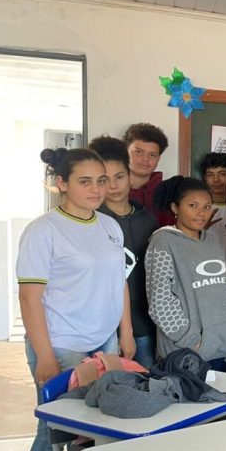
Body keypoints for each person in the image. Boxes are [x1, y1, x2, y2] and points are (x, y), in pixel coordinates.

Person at [18, 147, 135, 451]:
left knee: (102, 428)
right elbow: (31, 296)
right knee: (52, 433)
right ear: (61, 184)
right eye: (85, 181)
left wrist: (126, 333)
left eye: (101, 180)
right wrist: (45, 355)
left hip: (102, 342)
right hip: (61, 346)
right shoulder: (43, 230)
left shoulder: (109, 226)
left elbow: (117, 282)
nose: (96, 189)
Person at [146, 176, 226, 369]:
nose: (201, 213)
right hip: (186, 351)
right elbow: (160, 300)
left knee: (221, 397)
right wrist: (190, 340)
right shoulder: (163, 242)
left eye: (207, 207)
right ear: (175, 208)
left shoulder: (212, 240)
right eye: (193, 206)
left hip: (222, 344)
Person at [91, 135, 159, 367]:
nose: (113, 186)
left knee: (146, 383)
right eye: (104, 179)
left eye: (119, 177)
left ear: (130, 176)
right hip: (103, 324)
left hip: (144, 321)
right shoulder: (93, 221)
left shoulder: (148, 219)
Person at [123, 122, 174, 226]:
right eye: (138, 152)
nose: (145, 159)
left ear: (158, 159)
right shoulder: (110, 189)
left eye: (152, 155)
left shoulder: (168, 194)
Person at [200, 151, 226, 280]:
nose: (216, 180)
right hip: (208, 277)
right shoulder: (199, 210)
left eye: (222, 174)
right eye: (210, 175)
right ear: (205, 178)